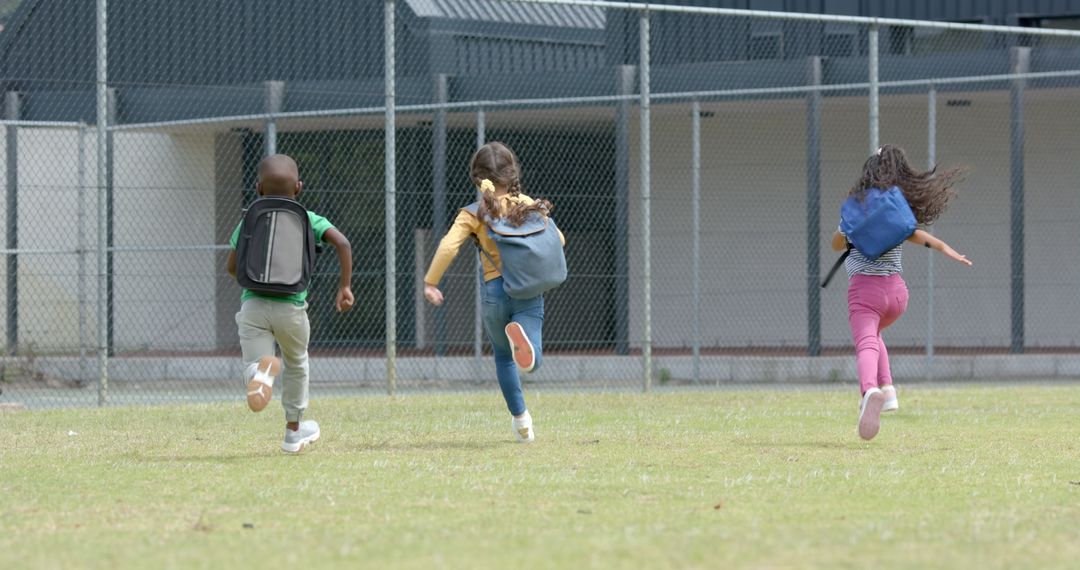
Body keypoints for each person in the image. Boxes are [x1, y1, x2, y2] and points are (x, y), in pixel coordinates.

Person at [423, 142, 565, 443]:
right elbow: (559, 239)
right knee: (531, 355)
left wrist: (431, 282)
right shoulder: (529, 204)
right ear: (512, 173)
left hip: (494, 291)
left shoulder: (474, 212)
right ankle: (528, 352)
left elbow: (449, 245)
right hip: (527, 289)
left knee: (503, 356)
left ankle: (521, 421)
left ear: (478, 178)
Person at [831, 144, 971, 441]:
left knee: (866, 341)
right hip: (896, 295)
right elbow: (919, 236)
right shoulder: (896, 209)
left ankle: (870, 390)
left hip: (865, 292)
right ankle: (889, 390)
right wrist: (949, 250)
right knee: (876, 334)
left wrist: (844, 235)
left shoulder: (857, 208)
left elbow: (836, 244)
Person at [226, 154, 354, 453]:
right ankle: (293, 434)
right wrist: (345, 286)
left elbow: (232, 266)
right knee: (296, 363)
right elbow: (343, 244)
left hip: (254, 306)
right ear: (299, 187)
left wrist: (252, 283)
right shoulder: (309, 219)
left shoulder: (248, 218)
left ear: (258, 187)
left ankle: (260, 375)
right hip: (292, 308)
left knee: (252, 364)